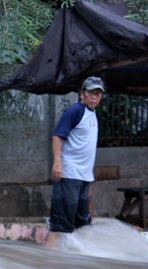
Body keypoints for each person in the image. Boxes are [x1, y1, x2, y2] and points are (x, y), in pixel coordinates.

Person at [47, 76, 105, 246]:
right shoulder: (75, 111)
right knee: (60, 224)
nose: (94, 97)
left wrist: (89, 180)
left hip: (84, 177)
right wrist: (57, 163)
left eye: (98, 93)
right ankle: (47, 262)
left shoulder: (92, 114)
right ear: (82, 94)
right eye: (90, 93)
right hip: (69, 174)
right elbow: (57, 136)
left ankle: (82, 263)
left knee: (83, 224)